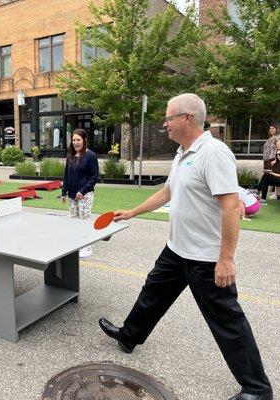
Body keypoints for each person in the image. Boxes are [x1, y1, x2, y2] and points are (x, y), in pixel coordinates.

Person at [98, 94, 272, 400]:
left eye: (168, 118)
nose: (165, 124)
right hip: (177, 250)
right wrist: (133, 212)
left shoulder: (213, 153)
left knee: (226, 320)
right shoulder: (183, 153)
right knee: (152, 293)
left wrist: (227, 260)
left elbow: (231, 207)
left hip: (206, 258)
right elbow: (167, 192)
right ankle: (129, 336)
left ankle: (258, 389)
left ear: (187, 118)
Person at [60, 128, 99, 258]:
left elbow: (94, 177)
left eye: (79, 140)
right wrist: (63, 192)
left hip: (85, 195)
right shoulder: (70, 155)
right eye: (74, 140)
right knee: (73, 220)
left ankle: (87, 247)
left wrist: (82, 191)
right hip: (72, 195)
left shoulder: (91, 156)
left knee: (84, 219)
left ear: (85, 140)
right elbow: (66, 175)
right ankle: (77, 244)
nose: (76, 142)